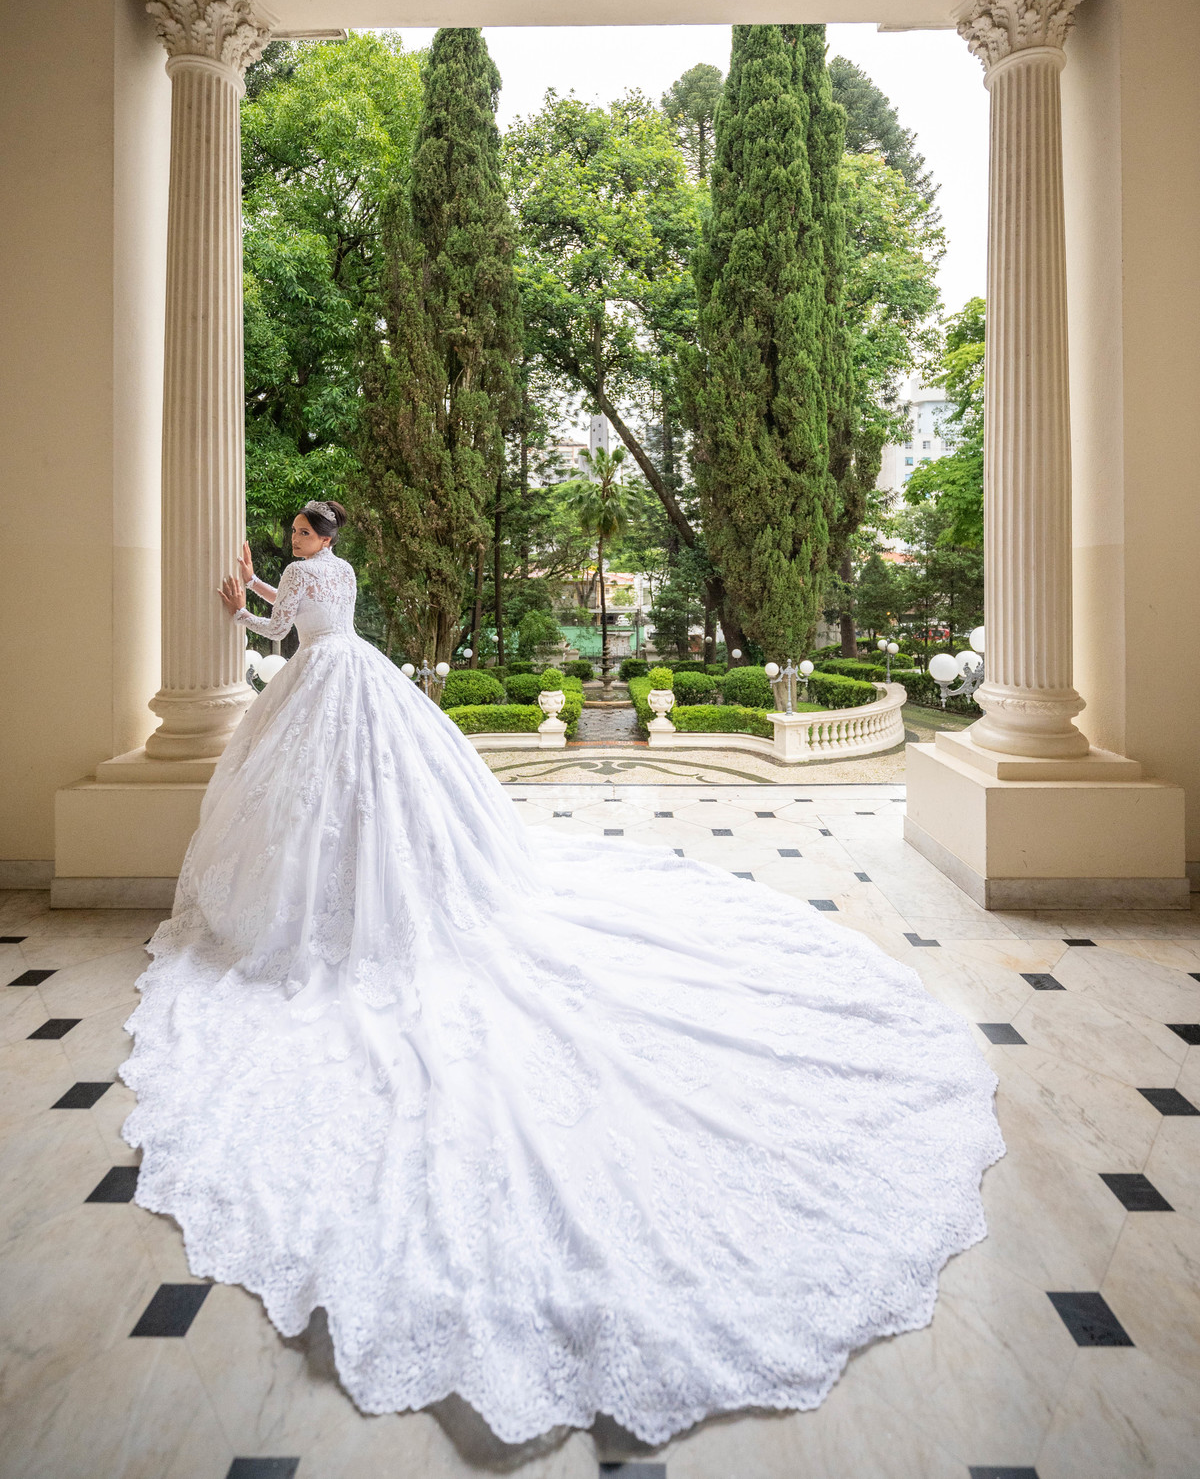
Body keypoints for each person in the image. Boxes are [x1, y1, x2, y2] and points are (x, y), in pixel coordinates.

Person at [122, 499, 1003, 1446]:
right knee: (372, 806)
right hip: (357, 679)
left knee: (324, 810)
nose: (297, 544)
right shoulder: (339, 572)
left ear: (317, 536)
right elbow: (303, 607)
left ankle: (332, 910)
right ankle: (363, 895)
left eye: (301, 534)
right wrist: (262, 582)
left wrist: (239, 599)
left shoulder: (305, 574)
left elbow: (276, 631)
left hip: (317, 689)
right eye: (296, 538)